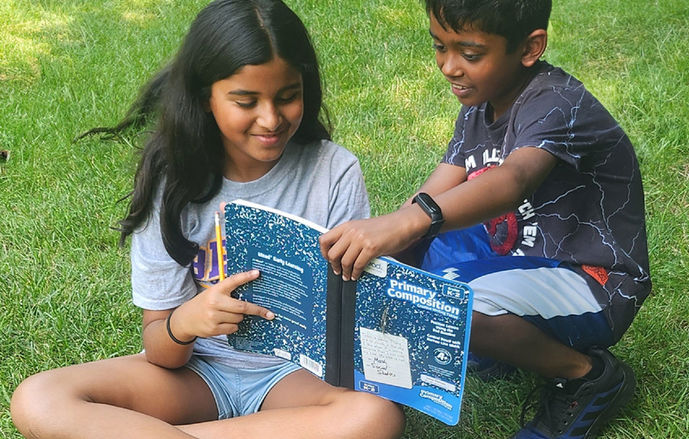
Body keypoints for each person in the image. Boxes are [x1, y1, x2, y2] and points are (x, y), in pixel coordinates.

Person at [10, 1, 405, 438]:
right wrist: (185, 322)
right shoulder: (172, 180)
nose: (271, 118)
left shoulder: (334, 172)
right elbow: (159, 347)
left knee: (376, 416)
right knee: (38, 398)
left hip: (296, 381)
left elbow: (353, 332)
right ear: (205, 98)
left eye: (288, 96)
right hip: (197, 373)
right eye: (245, 101)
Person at [319, 1, 651, 438]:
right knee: (414, 260)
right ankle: (497, 349)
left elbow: (512, 181)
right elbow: (436, 192)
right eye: (439, 47)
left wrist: (413, 221)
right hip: (520, 257)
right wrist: (378, 251)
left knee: (447, 303)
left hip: (592, 280)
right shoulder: (481, 103)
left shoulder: (557, 102)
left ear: (531, 47)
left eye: (470, 54)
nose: (449, 67)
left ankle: (587, 375)